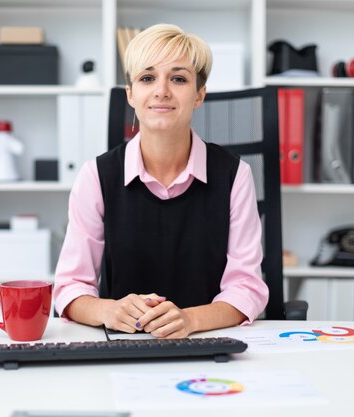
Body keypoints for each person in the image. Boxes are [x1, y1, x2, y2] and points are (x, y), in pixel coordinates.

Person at [53, 23, 268, 339]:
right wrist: (108, 310)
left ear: (199, 95)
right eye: (147, 78)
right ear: (131, 94)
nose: (162, 90)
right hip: (122, 349)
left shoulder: (235, 175)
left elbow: (246, 287)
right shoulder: (96, 177)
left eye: (179, 79)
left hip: (206, 344)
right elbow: (70, 287)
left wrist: (189, 320)